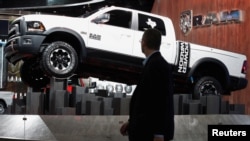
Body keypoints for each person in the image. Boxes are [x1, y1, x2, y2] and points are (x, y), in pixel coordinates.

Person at [120, 28, 175, 141]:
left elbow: (161, 101)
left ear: (144, 42)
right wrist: (131, 122)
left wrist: (159, 133)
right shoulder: (154, 63)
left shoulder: (156, 65)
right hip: (145, 130)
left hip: (148, 134)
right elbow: (146, 101)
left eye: (141, 41)